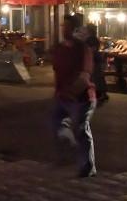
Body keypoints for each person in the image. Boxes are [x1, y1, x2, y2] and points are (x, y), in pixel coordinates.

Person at [52, 14, 97, 178]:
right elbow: (57, 72)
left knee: (81, 129)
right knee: (57, 122)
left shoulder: (83, 50)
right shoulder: (59, 48)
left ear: (76, 29)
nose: (64, 29)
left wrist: (72, 92)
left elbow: (85, 76)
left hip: (82, 97)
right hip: (63, 97)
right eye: (63, 26)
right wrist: (59, 92)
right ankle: (69, 148)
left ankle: (87, 166)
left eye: (68, 27)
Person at [85, 24, 108, 105]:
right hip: (95, 59)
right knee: (98, 77)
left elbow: (91, 49)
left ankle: (98, 94)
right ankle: (102, 93)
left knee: (95, 77)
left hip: (93, 59)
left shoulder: (90, 39)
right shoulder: (94, 39)